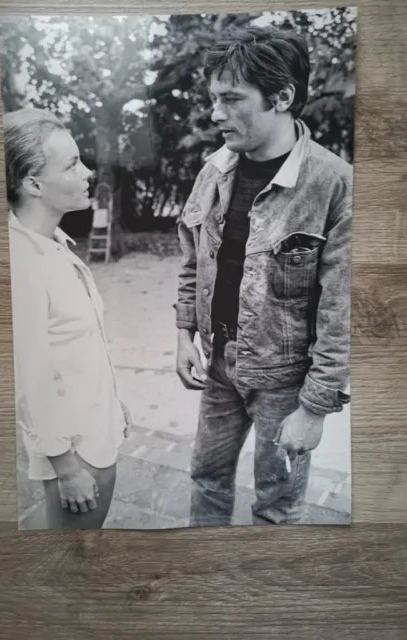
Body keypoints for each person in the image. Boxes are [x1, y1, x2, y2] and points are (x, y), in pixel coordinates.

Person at [175, 25, 352, 526]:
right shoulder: (213, 171)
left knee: (276, 507)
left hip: (284, 385)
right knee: (205, 479)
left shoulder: (334, 184)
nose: (215, 115)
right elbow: (193, 259)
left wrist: (314, 408)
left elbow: (344, 310)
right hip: (217, 367)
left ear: (282, 96)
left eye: (231, 99)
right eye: (213, 99)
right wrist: (185, 334)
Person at [4, 107, 131, 530]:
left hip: (93, 432)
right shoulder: (23, 265)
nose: (87, 172)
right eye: (72, 164)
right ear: (33, 184)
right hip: (78, 453)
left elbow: (77, 347)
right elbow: (31, 383)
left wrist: (111, 403)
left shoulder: (52, 244)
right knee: (65, 561)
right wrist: (67, 469)